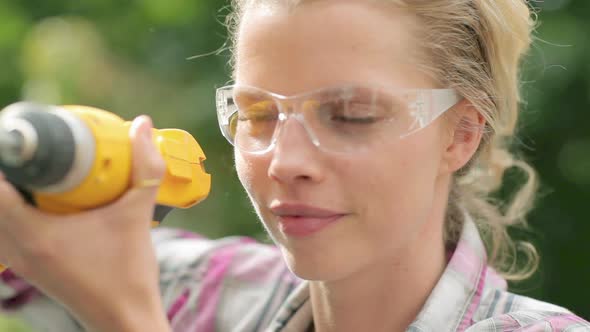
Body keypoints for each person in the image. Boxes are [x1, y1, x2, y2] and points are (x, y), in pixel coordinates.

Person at [0, 0, 588, 331]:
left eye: (352, 114)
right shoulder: (218, 293)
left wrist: (125, 319)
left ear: (460, 135)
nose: (284, 161)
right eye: (256, 114)